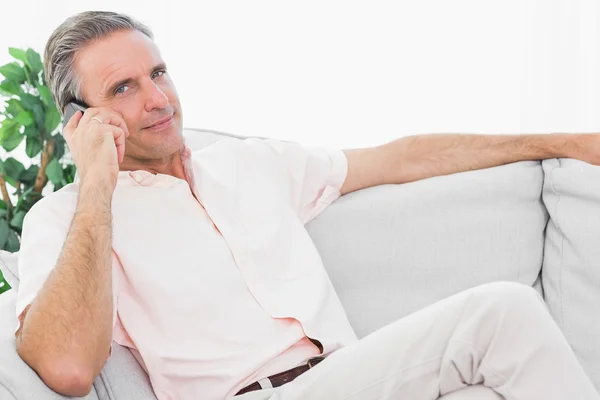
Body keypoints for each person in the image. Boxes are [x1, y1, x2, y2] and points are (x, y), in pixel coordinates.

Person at [12, 10, 600, 400]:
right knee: (500, 314)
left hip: (348, 378)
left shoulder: (251, 165)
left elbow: (401, 158)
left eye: (158, 73)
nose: (158, 98)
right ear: (80, 119)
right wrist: (95, 181)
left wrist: (561, 143)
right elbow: (66, 367)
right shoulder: (67, 217)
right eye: (124, 88)